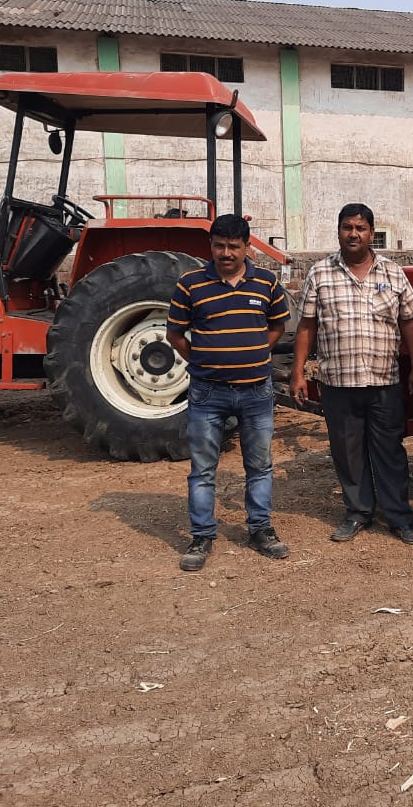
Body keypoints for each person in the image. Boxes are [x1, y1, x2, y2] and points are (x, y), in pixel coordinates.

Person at [292, 203, 413, 546]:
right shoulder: (320, 273)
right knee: (347, 452)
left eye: (360, 228)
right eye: (347, 227)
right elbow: (307, 326)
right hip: (338, 381)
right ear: (338, 231)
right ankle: (357, 513)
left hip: (384, 380)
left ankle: (399, 518)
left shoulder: (393, 273)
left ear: (371, 233)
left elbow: (409, 321)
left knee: (390, 451)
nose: (353, 234)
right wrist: (298, 373)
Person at [166, 213, 292, 572]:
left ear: (246, 247)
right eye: (219, 245)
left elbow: (277, 326)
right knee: (203, 469)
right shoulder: (190, 285)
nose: (225, 253)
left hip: (257, 392)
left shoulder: (265, 283)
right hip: (208, 393)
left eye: (233, 247)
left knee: (260, 465)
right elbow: (175, 336)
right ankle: (202, 535)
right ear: (211, 246)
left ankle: (260, 529)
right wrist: (205, 361)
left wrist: (253, 354)